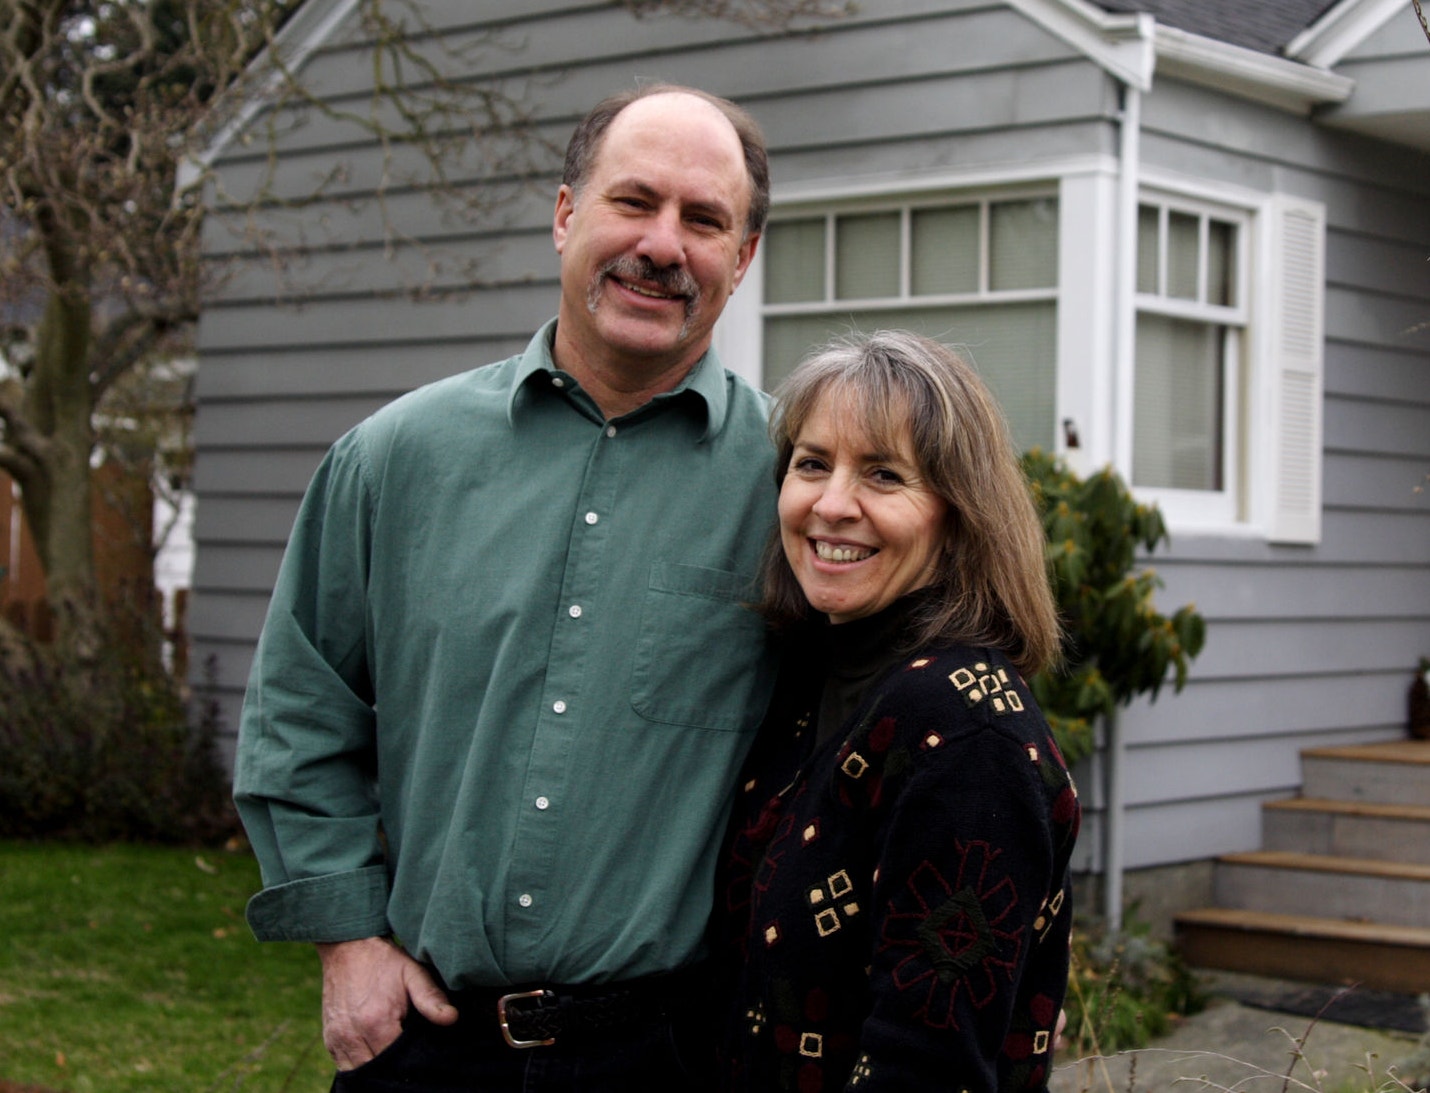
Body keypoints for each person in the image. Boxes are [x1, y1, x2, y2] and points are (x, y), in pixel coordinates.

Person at [233, 83, 778, 1091]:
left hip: (672, 1057)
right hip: (427, 1046)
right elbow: (299, 709)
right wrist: (346, 941)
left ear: (740, 259)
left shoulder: (793, 489)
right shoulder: (394, 458)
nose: (662, 245)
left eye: (704, 221)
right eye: (633, 201)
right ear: (565, 214)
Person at [720, 330, 1080, 1091]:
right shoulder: (809, 678)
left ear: (959, 514)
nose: (832, 503)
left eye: (884, 474)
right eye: (812, 464)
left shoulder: (963, 731)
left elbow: (928, 1069)